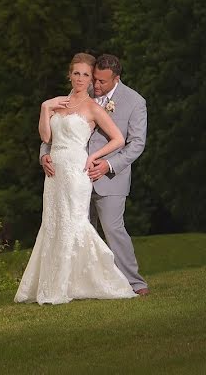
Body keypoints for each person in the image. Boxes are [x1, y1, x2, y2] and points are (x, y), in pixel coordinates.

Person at [14, 53, 138, 304]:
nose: (81, 79)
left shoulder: (93, 107)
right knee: (52, 225)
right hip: (54, 175)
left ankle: (106, 282)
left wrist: (95, 157)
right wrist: (45, 108)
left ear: (91, 79)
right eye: (76, 73)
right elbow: (46, 138)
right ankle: (56, 284)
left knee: (75, 224)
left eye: (85, 75)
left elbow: (119, 139)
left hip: (76, 173)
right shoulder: (57, 103)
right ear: (69, 74)